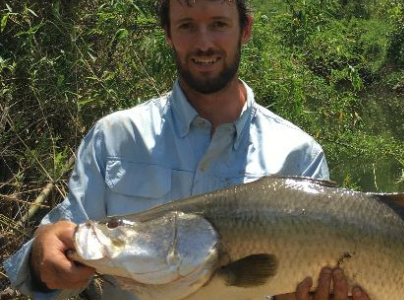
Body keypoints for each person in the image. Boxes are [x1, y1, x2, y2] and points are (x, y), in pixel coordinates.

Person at [3, 0, 371, 300]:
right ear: (168, 34)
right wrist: (41, 257)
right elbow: (64, 247)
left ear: (245, 29)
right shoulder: (113, 137)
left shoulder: (299, 154)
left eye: (218, 24)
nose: (204, 42)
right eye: (187, 26)